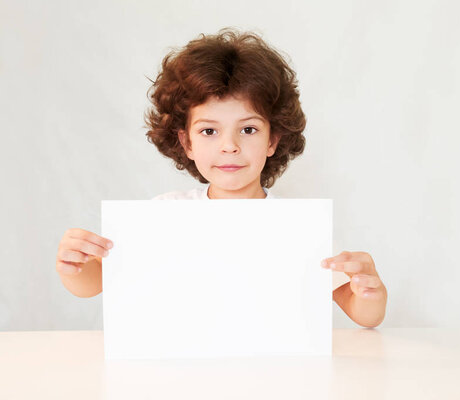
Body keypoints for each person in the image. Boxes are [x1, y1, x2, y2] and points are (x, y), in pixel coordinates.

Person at [55, 28, 387, 328]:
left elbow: (361, 312)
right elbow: (95, 282)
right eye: (209, 130)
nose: (229, 146)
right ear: (186, 141)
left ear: (273, 140)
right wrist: (75, 264)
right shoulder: (165, 215)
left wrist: (369, 291)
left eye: (248, 129)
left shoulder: (299, 226)